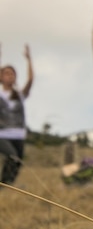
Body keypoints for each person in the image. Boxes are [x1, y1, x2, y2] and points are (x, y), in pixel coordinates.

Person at [0, 45, 33, 186]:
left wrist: (29, 59)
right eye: (6, 73)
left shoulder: (19, 95)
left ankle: (6, 187)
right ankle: (2, 185)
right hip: (2, 135)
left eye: (12, 73)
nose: (10, 75)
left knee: (17, 162)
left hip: (19, 135)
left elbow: (31, 80)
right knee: (12, 156)